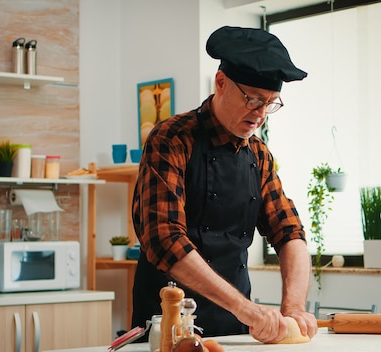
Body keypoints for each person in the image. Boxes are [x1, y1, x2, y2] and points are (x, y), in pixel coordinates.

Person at [131, 25, 317, 344]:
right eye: (253, 100)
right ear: (221, 83)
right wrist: (247, 309)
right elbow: (164, 239)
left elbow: (290, 233)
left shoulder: (258, 154)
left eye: (271, 104)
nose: (261, 115)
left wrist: (294, 307)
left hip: (236, 330)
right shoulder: (171, 139)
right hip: (171, 328)